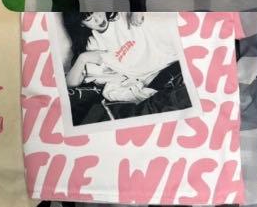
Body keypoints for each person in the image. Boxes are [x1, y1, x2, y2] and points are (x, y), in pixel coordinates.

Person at [61, 13, 191, 124]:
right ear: (81, 24)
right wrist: (82, 58)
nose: (98, 19)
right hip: (156, 82)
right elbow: (70, 83)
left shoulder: (124, 15)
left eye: (97, 10)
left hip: (174, 63)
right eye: (89, 18)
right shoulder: (93, 44)